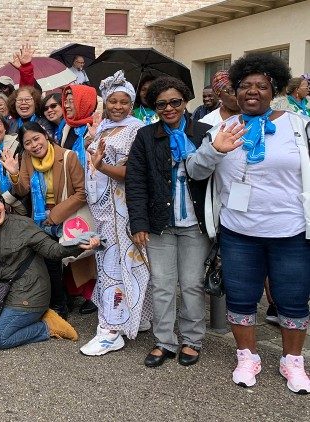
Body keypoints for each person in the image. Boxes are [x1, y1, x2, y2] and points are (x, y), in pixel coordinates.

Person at [186, 54, 310, 393]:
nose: (252, 92)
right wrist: (216, 150)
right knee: (241, 297)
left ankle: (293, 362)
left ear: (274, 90)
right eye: (245, 86)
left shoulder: (298, 125)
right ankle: (247, 356)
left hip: (291, 231)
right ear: (235, 91)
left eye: (261, 86)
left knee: (293, 299)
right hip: (238, 232)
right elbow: (195, 171)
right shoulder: (219, 128)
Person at [0, 188, 101, 349]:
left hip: (30, 292)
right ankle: (13, 321)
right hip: (1, 293)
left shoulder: (23, 225)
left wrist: (79, 245)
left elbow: (53, 251)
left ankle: (47, 326)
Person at [125, 76, 211, 368]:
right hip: (160, 222)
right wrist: (138, 223)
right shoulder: (146, 136)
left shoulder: (204, 132)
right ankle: (164, 340)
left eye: (175, 102)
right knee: (162, 284)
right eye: (161, 104)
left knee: (191, 284)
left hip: (195, 224)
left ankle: (191, 339)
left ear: (186, 101)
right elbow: (135, 182)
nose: (169, 108)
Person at [78, 71, 151, 356]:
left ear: (131, 104)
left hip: (121, 211)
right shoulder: (104, 126)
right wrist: (90, 143)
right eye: (112, 101)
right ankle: (136, 317)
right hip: (102, 212)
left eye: (123, 102)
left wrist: (101, 165)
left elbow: (131, 173)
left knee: (116, 267)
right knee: (115, 264)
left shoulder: (136, 130)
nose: (118, 106)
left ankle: (110, 330)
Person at [1, 122, 87, 318]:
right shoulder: (27, 159)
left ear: (45, 136)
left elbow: (82, 193)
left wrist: (55, 215)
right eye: (28, 142)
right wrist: (14, 172)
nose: (34, 145)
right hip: (40, 219)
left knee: (64, 260)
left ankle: (64, 300)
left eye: (36, 138)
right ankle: (59, 305)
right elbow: (22, 190)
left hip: (65, 216)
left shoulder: (68, 156)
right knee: (49, 261)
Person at [59, 84, 99, 311]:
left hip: (88, 196)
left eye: (72, 101)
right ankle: (77, 290)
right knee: (72, 241)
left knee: (86, 243)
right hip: (69, 193)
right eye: (66, 100)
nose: (67, 105)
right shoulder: (66, 127)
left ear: (85, 102)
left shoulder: (93, 127)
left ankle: (91, 294)